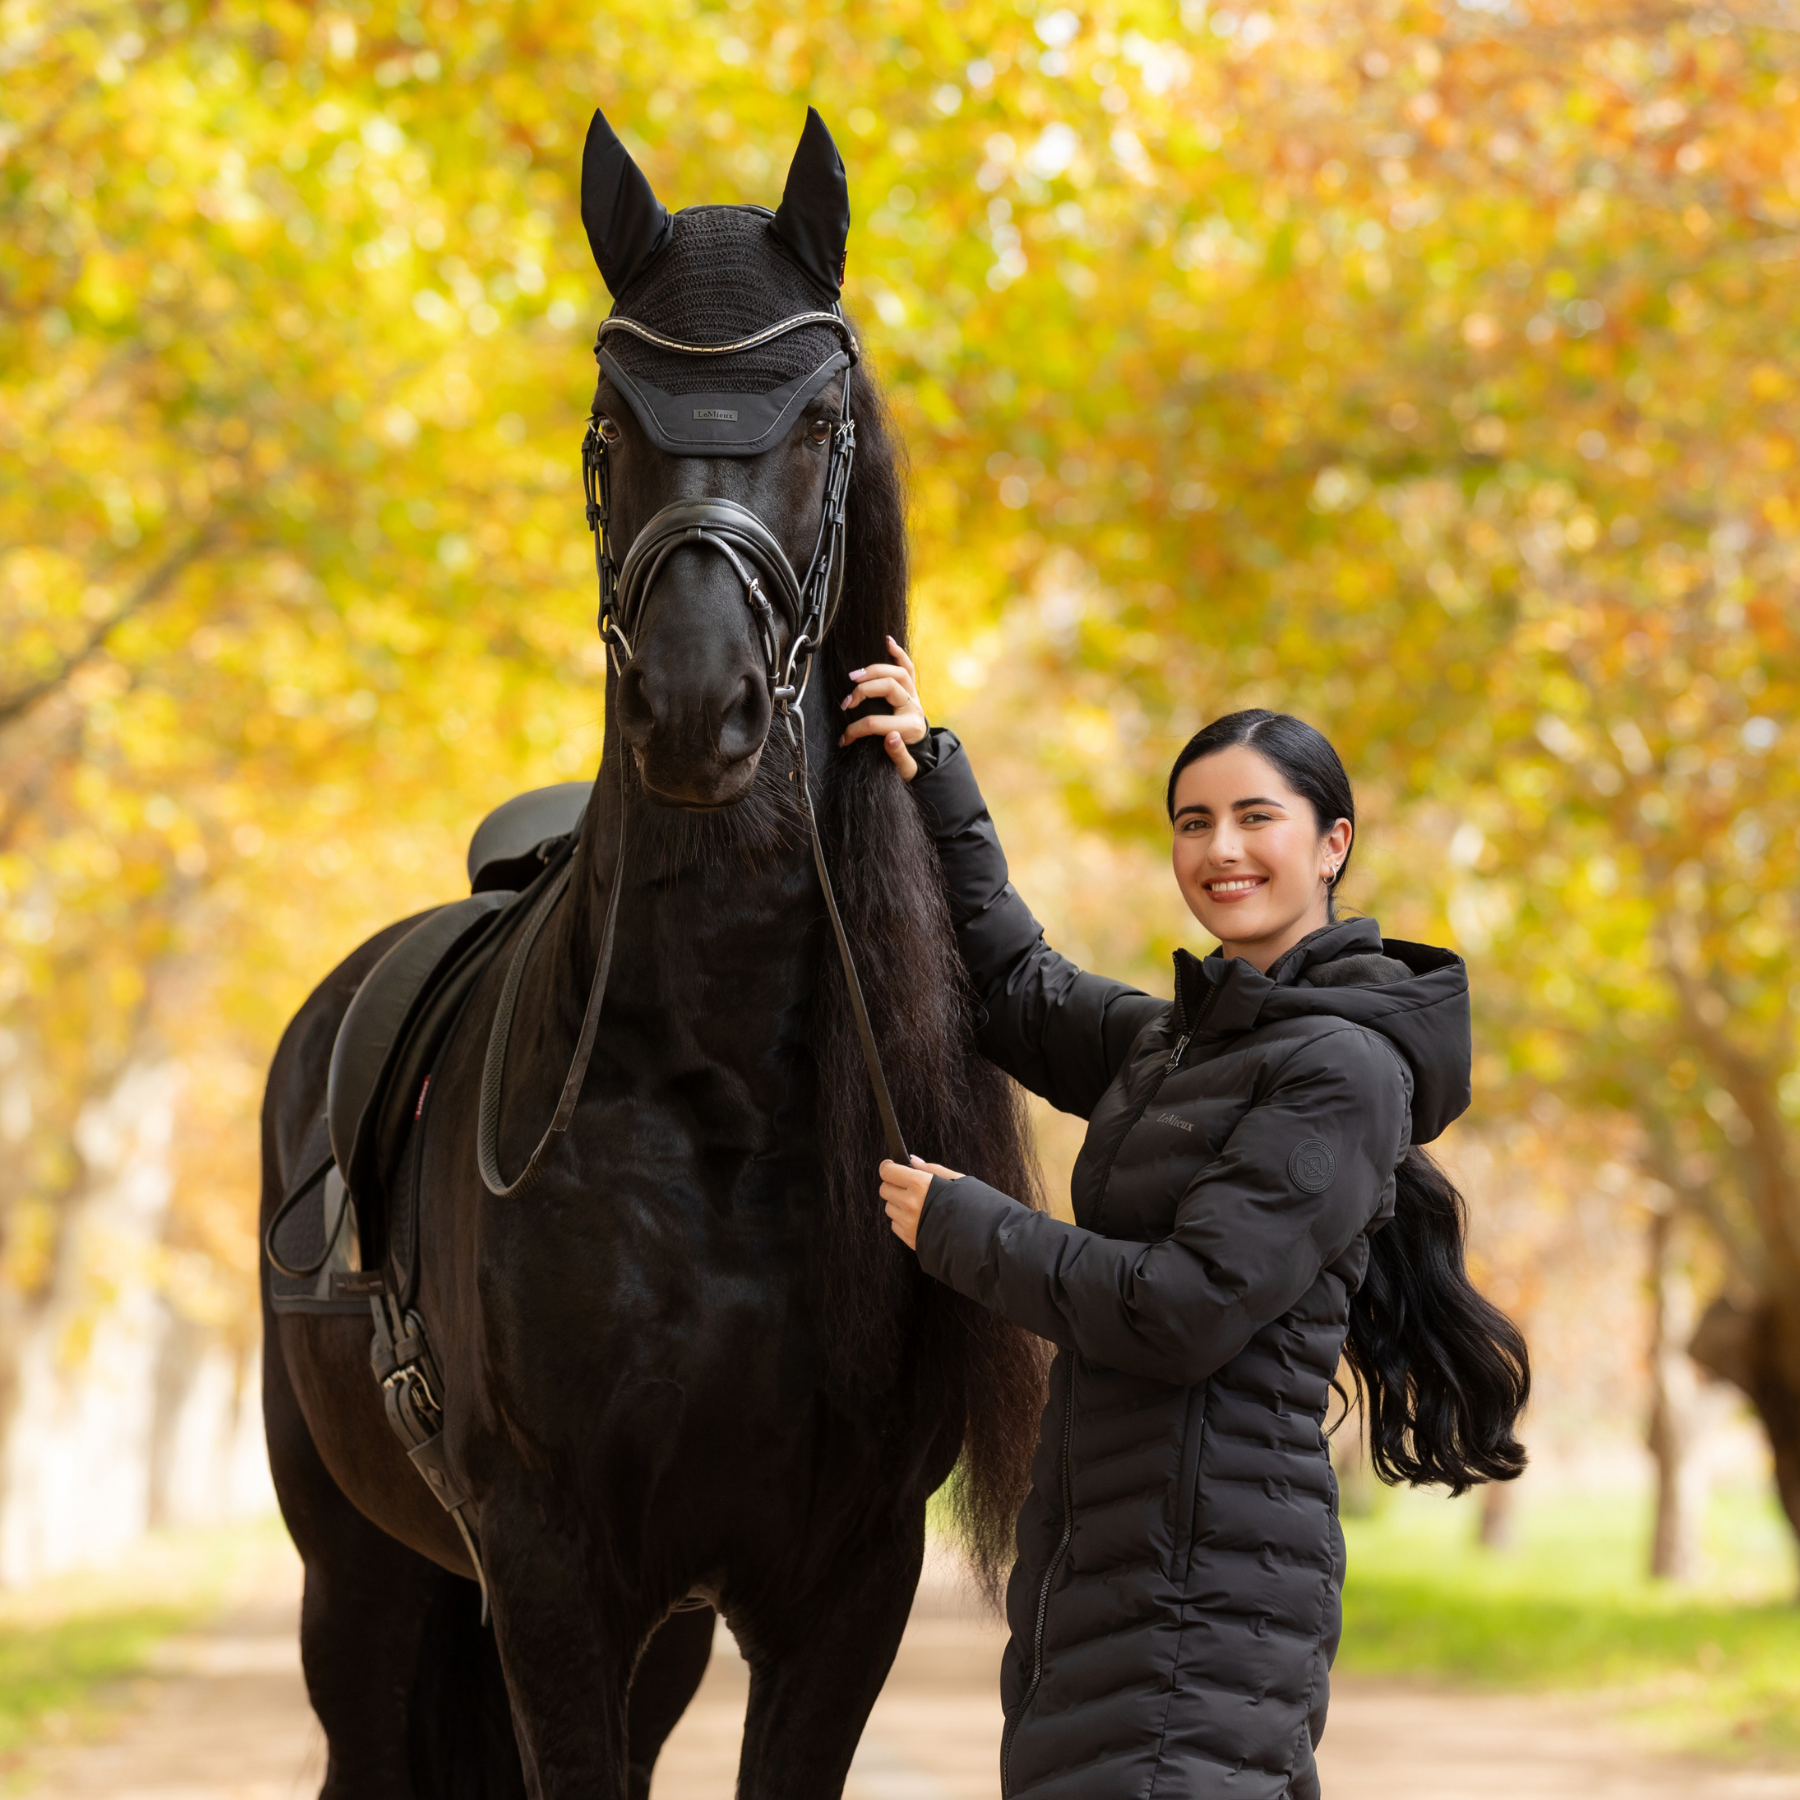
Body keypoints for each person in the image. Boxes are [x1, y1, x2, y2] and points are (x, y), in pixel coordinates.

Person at [840, 643, 1529, 1800]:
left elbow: (1184, 1308)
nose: (1219, 851)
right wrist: (930, 769)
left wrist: (964, 1226)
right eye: (1192, 822)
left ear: (1332, 844)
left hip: (1206, 1593)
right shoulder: (1183, 1044)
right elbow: (1015, 986)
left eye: (1255, 818)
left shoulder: (1342, 1072)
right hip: (1106, 1569)